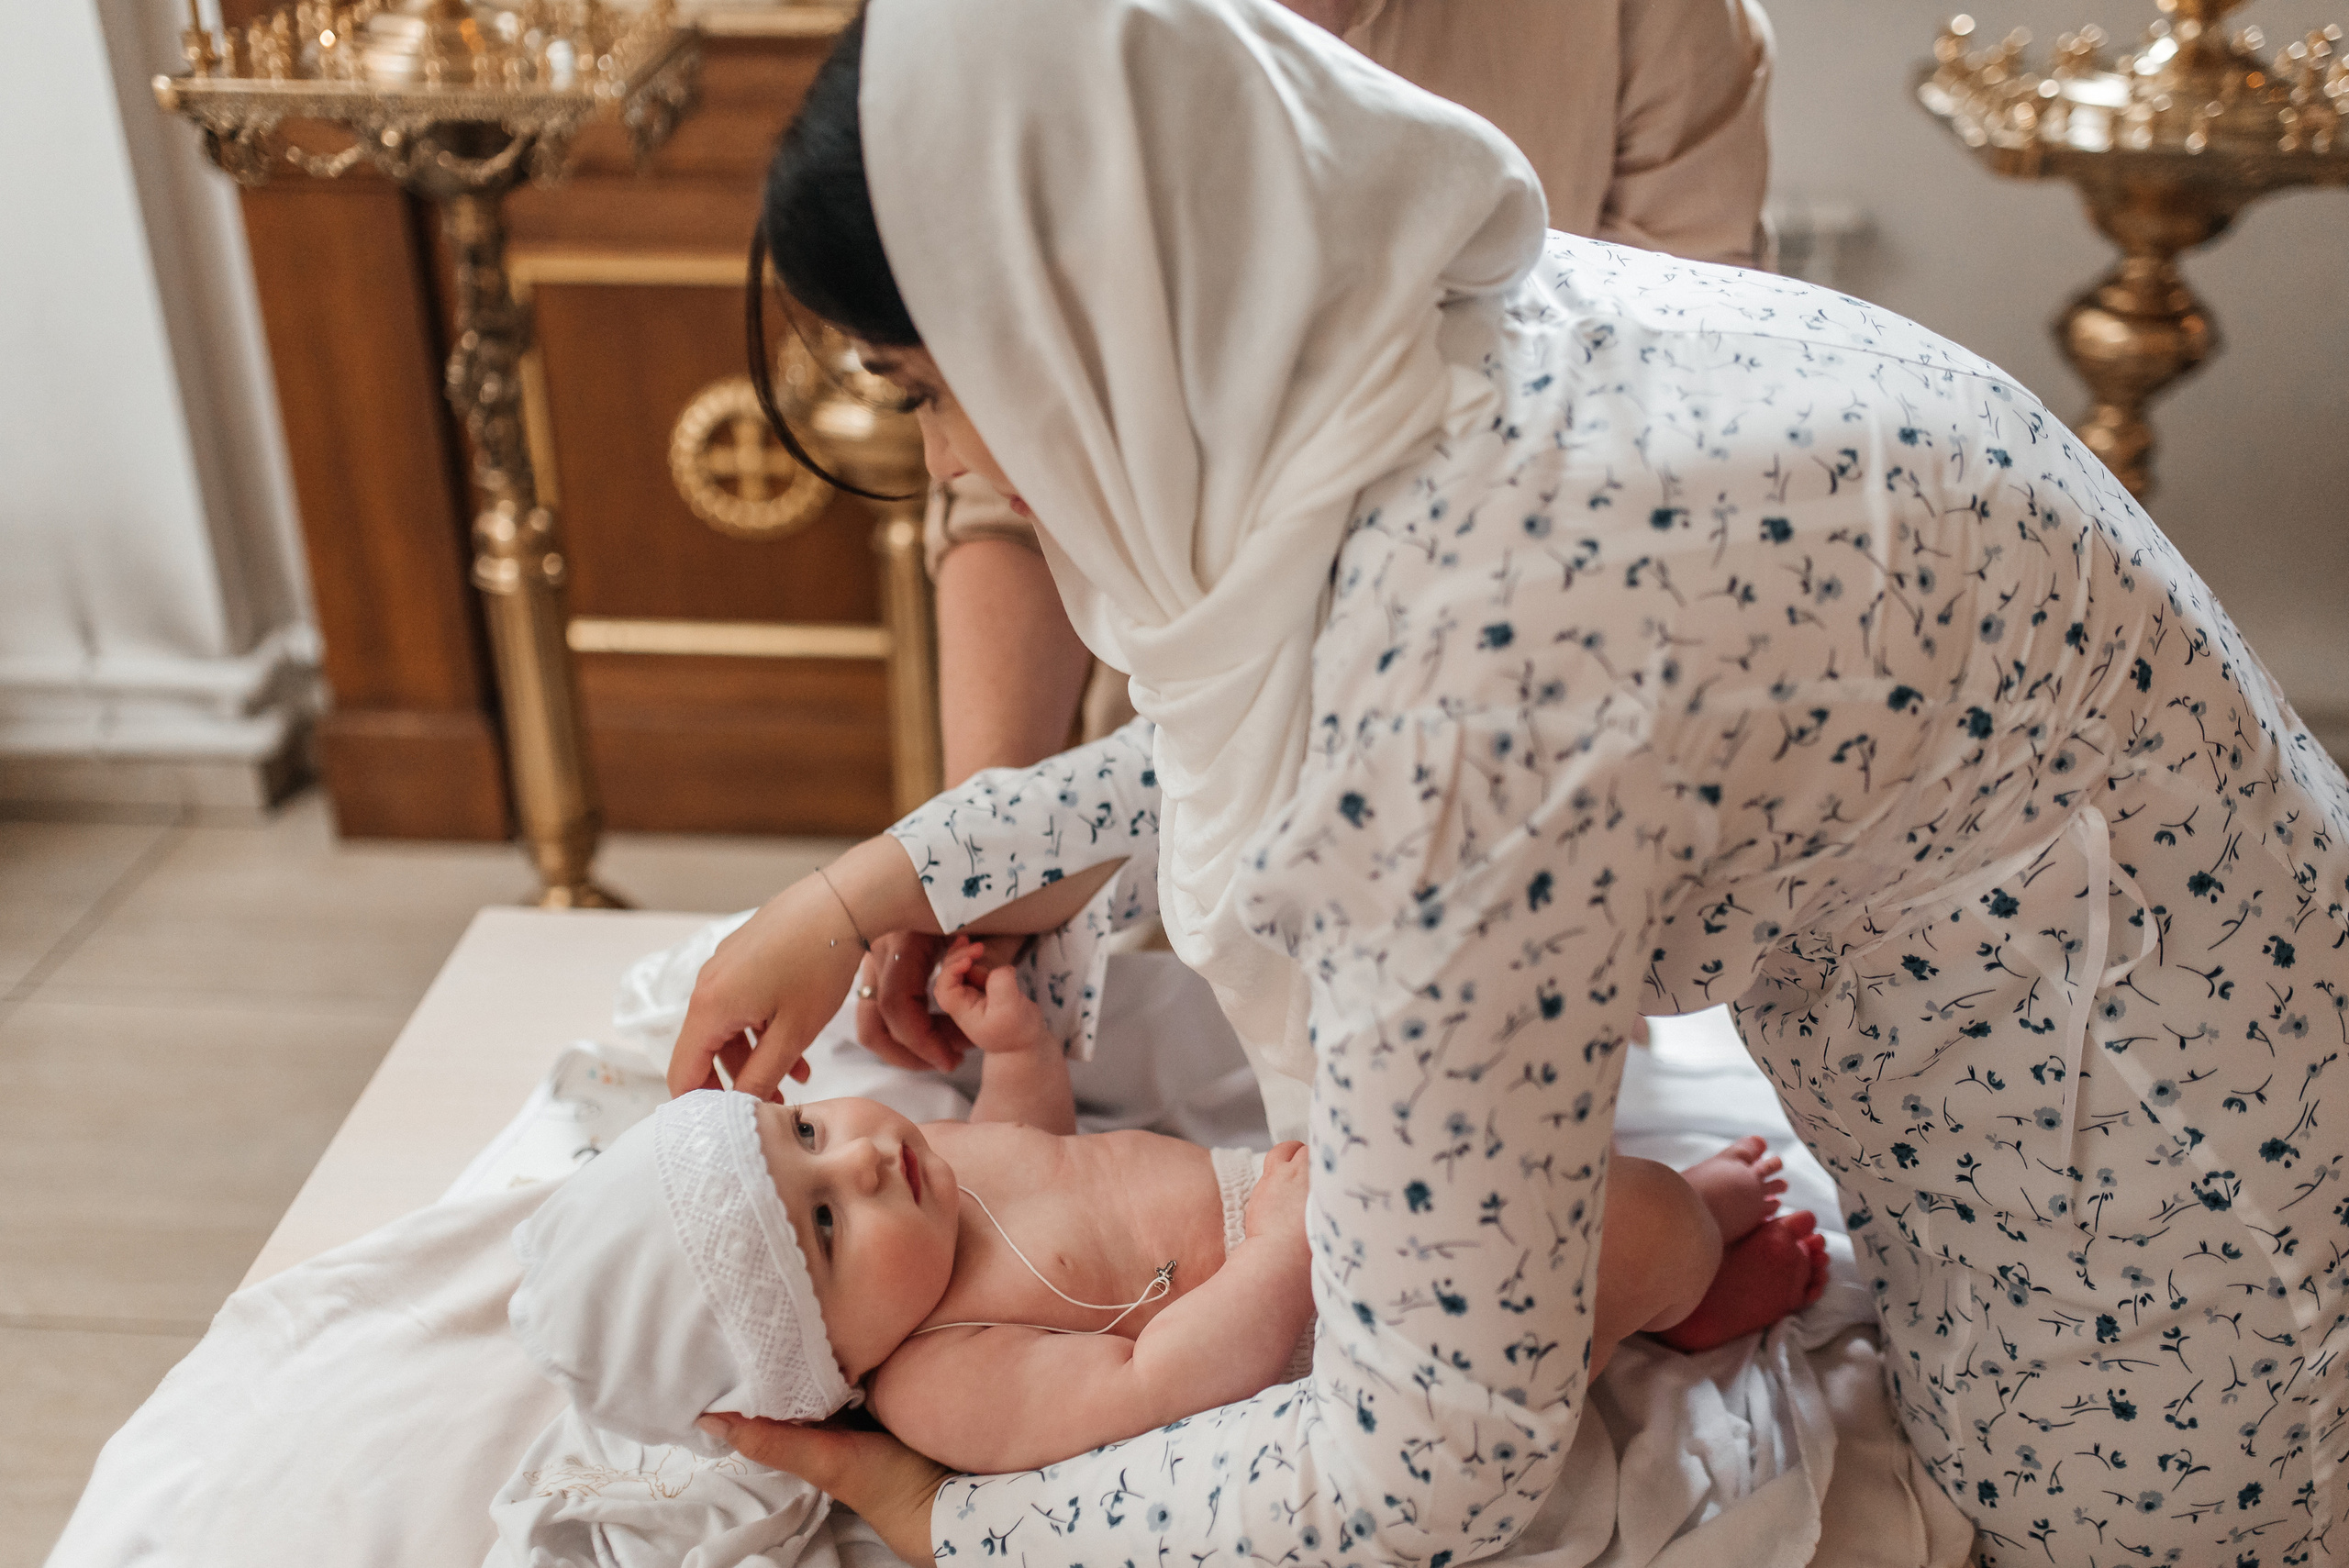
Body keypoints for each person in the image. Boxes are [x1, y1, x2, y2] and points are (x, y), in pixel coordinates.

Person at [684, 1, 2349, 1563]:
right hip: (2232, 1048)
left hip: (2178, 1295)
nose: (955, 461)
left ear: (1085, 311)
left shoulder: (1459, 717)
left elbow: (1431, 1457)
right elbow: (1321, 724)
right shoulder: (1445, 335)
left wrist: (961, 1523)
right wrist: (875, 880)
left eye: (933, 391)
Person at [864, 0, 1775, 1077]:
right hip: (1185, 792)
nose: (944, 455)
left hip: (1533, 786)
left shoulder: (1476, 511)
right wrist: (977, 856)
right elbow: (1012, 493)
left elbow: (1666, 440)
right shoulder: (1014, 40)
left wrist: (975, 853)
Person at [523, 939, 1825, 1477]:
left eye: (805, 1130)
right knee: (1618, 1230)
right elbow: (1149, 1379)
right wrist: (1270, 1255)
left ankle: (1659, 1257)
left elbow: (1044, 1154)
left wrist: (1020, 1048)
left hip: (1312, 1204)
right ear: (828, 1365)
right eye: (822, 1226)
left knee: (1525, 1131)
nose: (859, 1161)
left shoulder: (928, 1181)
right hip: (1326, 1315)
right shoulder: (941, 1386)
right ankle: (1688, 1289)